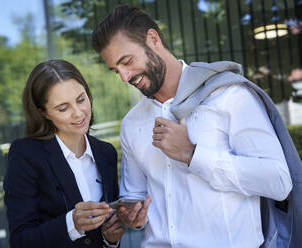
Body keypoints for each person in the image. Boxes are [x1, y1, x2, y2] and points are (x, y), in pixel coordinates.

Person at [91, 5, 301, 248]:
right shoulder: (132, 123)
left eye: (127, 61)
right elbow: (135, 198)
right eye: (116, 70)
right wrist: (132, 217)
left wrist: (193, 154)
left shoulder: (229, 96)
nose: (125, 77)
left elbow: (279, 181)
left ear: (153, 39)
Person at [3, 59, 124, 248]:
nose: (78, 113)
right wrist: (72, 224)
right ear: (43, 112)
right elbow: (20, 241)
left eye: (81, 99)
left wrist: (111, 240)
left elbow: (104, 236)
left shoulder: (106, 153)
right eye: (63, 108)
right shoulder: (26, 155)